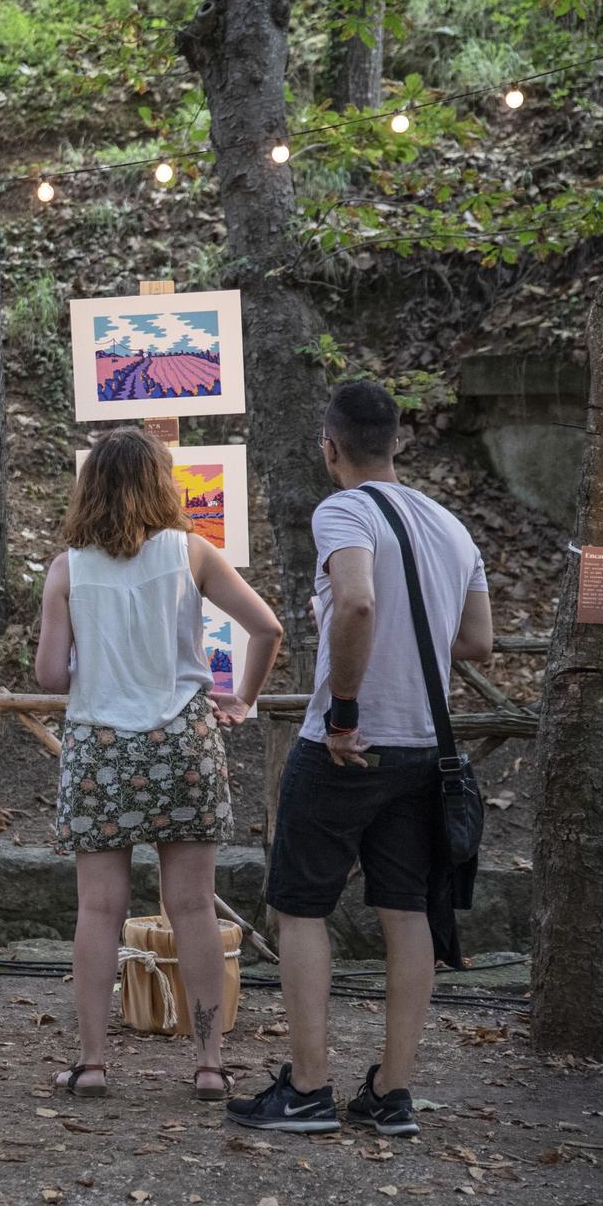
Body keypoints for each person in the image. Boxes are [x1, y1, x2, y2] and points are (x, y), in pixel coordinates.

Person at [228, 380, 490, 1138]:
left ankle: (308, 1086)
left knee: (298, 904)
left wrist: (343, 713)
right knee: (406, 909)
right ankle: (392, 1092)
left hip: (350, 744)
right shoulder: (449, 525)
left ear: (330, 447)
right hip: (425, 750)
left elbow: (358, 601)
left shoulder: (342, 509)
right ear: (398, 442)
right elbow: (477, 640)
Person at [34, 428, 281, 1103]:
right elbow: (266, 627)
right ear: (161, 483)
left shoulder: (67, 569)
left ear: (88, 487)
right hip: (182, 742)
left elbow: (51, 674)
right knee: (194, 905)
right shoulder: (191, 553)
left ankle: (91, 1062)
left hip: (100, 749)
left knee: (98, 907)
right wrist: (245, 696)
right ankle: (207, 1062)